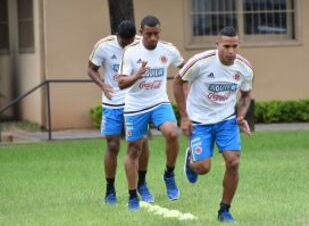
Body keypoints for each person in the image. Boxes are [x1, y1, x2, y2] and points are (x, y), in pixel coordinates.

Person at [174, 26, 254, 222]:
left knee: (233, 162)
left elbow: (245, 95)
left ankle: (224, 210)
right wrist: (184, 117)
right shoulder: (200, 62)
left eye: (235, 46)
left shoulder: (244, 68)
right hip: (199, 121)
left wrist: (242, 115)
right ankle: (192, 161)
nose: (231, 51)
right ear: (217, 44)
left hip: (226, 120)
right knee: (203, 168)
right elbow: (178, 81)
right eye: (226, 46)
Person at [118, 15, 184, 210]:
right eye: (149, 34)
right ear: (141, 33)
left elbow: (186, 70)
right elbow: (121, 83)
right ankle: (134, 193)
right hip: (135, 105)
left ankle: (169, 174)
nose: (153, 38)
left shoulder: (169, 50)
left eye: (156, 34)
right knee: (134, 150)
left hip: (159, 102)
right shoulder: (131, 52)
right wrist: (137, 74)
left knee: (172, 132)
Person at [88, 20, 153, 205]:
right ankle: (110, 189)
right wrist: (102, 85)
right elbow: (90, 69)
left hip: (135, 102)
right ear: (118, 36)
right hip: (112, 103)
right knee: (113, 145)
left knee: (142, 143)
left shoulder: (141, 44)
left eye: (130, 41)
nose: (127, 45)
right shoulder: (103, 46)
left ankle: (142, 183)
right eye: (124, 42)